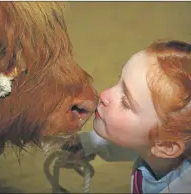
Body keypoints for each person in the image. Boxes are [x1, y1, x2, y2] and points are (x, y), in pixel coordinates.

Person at [62, 40, 191, 193]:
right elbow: (140, 145)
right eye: (119, 80)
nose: (103, 95)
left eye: (125, 102)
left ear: (166, 146)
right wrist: (91, 143)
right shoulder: (157, 145)